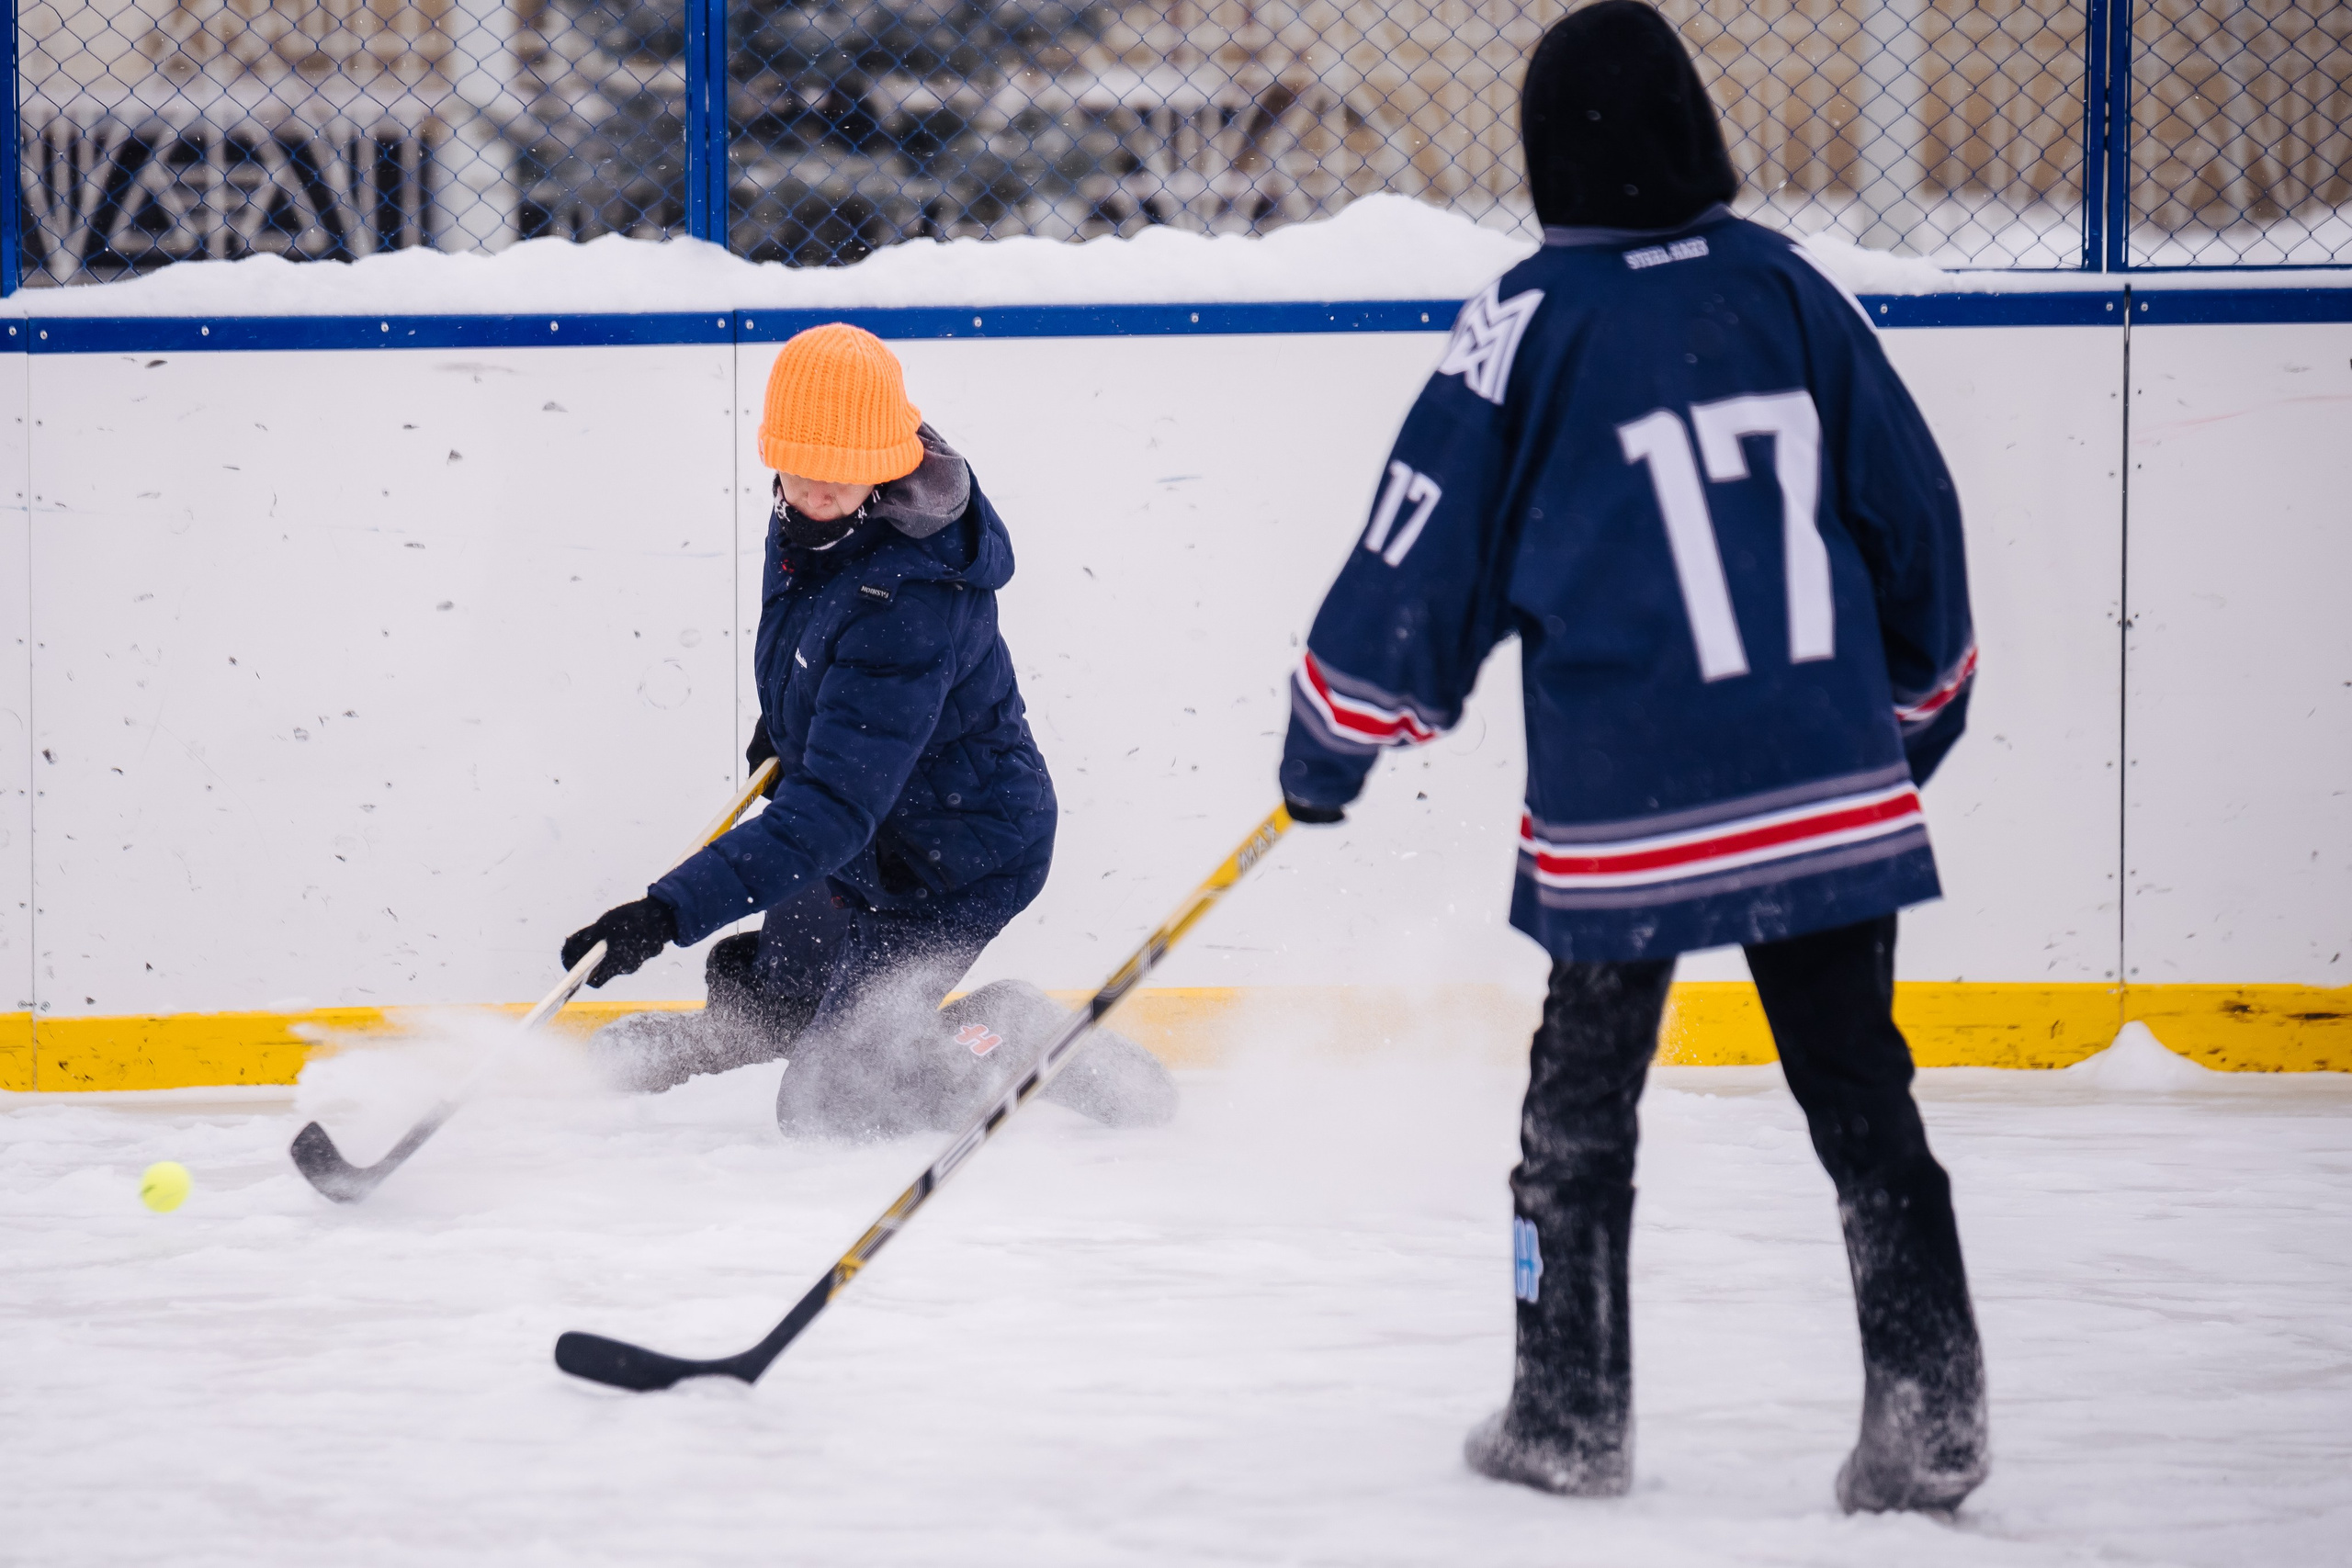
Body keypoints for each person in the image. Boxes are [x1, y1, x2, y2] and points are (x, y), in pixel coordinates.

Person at [1276, 2, 1986, 1515]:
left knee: (1577, 1116)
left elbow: (1419, 559)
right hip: (1821, 781)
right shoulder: (1790, 290)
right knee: (1865, 1096)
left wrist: (1329, 748)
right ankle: (1931, 1415)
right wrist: (1904, 731)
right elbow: (1913, 522)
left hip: (1630, 804)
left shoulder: (1527, 318)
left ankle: (1567, 1411)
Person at [563, 322, 1173, 1137]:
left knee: (832, 1098)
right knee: (782, 997)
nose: (818, 490)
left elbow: (829, 812)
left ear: (884, 464)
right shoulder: (818, 519)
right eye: (802, 467)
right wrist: (784, 726)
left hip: (950, 858)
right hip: (868, 830)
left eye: (843, 474)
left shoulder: (912, 597)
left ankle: (1003, 1029)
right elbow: (821, 652)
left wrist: (665, 913)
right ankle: (747, 1035)